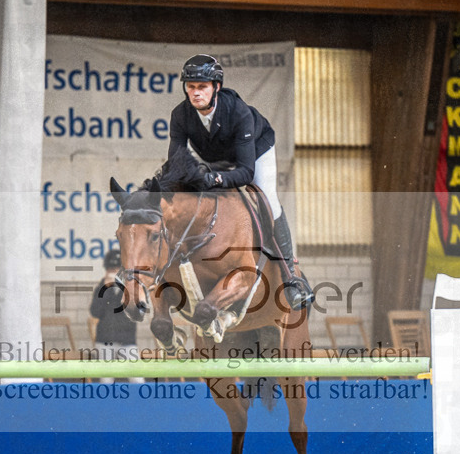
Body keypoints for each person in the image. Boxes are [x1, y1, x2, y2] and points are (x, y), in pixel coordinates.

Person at [168, 54, 314, 310]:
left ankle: (291, 277)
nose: (195, 93)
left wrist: (213, 178)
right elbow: (175, 162)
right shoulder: (180, 115)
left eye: (202, 86)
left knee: (267, 198)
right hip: (215, 157)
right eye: (190, 86)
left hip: (255, 151)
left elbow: (245, 172)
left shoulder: (239, 112)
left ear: (216, 87)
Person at [88, 249, 142, 383]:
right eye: (110, 269)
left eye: (116, 268)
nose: (113, 272)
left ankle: (141, 404)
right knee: (106, 381)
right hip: (105, 340)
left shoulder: (131, 287)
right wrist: (105, 290)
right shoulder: (101, 287)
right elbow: (95, 312)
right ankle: (106, 405)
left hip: (127, 340)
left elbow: (137, 312)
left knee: (137, 379)